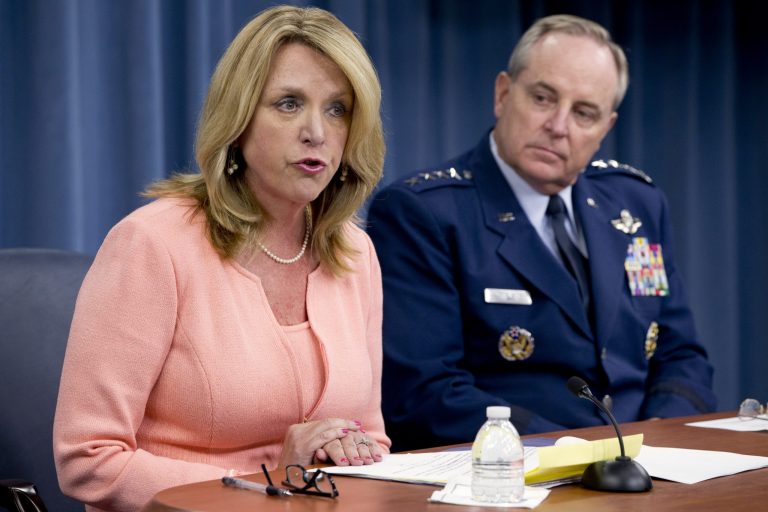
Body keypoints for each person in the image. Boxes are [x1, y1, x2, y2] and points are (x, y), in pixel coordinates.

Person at [53, 6, 389, 511]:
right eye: (289, 103)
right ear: (238, 118)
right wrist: (274, 477)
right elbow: (88, 460)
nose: (316, 131)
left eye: (338, 109)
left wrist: (348, 449)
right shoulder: (152, 245)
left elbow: (372, 440)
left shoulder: (355, 253)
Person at [367, 14, 716, 451]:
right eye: (543, 98)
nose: (558, 126)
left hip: (647, 469)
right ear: (503, 94)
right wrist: (575, 453)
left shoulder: (636, 205)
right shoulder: (425, 212)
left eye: (584, 113)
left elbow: (680, 354)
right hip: (511, 474)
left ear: (606, 128)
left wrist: (663, 439)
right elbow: (423, 391)